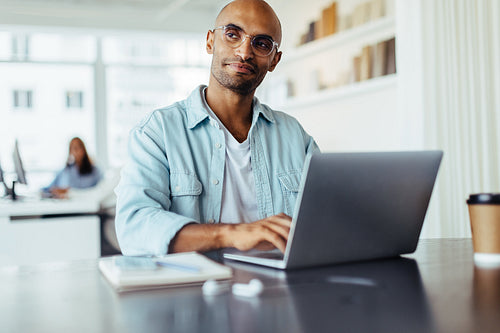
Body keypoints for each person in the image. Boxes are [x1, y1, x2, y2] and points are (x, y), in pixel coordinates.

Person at [115, 0, 319, 256]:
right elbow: (133, 228)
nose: (245, 52)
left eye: (262, 43)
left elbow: (327, 218)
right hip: (194, 287)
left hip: (280, 286)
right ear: (210, 41)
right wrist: (232, 234)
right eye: (232, 34)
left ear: (274, 60)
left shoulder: (294, 136)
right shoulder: (158, 132)